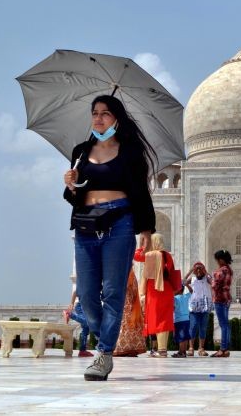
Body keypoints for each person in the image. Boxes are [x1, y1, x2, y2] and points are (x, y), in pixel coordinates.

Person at [63, 95, 156, 380]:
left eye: (105, 113)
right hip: (86, 225)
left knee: (114, 292)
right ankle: (107, 337)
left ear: (116, 118)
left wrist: (146, 230)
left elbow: (140, 192)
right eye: (95, 113)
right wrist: (70, 184)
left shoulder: (130, 152)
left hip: (120, 222)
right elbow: (73, 197)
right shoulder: (80, 152)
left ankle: (104, 354)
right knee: (89, 295)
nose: (99, 118)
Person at [139, 233, 176, 358]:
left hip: (155, 290)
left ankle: (159, 349)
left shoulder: (151, 255)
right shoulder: (168, 256)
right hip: (167, 290)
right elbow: (171, 272)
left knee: (156, 318)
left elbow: (136, 256)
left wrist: (141, 245)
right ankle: (162, 350)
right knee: (165, 319)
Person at [112, 268, 147, 357]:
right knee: (126, 326)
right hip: (126, 304)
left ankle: (122, 348)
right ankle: (127, 348)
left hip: (124, 305)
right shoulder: (129, 274)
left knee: (125, 326)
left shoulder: (126, 275)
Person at [185, 262, 212, 357]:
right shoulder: (192, 279)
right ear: (195, 271)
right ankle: (191, 348)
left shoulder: (206, 279)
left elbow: (213, 283)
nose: (199, 271)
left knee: (203, 327)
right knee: (193, 326)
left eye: (201, 269)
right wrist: (190, 272)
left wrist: (206, 272)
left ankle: (201, 348)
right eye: (197, 269)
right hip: (194, 306)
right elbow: (182, 282)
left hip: (205, 305)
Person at [64, 272, 93, 358]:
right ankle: (69, 314)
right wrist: (71, 304)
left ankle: (82, 350)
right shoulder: (86, 283)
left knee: (85, 330)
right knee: (88, 323)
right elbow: (75, 292)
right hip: (81, 307)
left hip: (87, 308)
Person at [211, 249, 233, 358]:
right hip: (227, 298)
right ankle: (226, 349)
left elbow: (215, 285)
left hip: (220, 299)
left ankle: (223, 349)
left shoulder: (222, 270)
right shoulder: (228, 269)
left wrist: (210, 278)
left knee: (223, 325)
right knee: (226, 325)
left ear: (220, 260)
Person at [171, 286, 192, 358]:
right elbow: (191, 291)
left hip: (179, 320)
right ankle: (184, 352)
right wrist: (187, 285)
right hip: (187, 319)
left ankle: (181, 352)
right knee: (185, 337)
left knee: (181, 338)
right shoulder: (186, 296)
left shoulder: (175, 299)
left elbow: (173, 308)